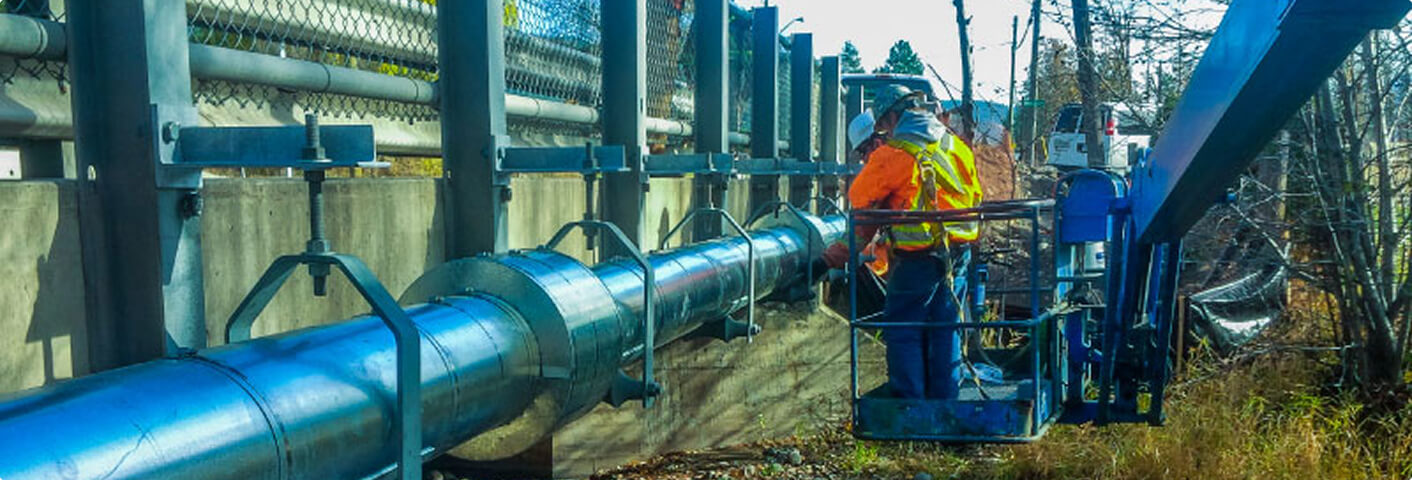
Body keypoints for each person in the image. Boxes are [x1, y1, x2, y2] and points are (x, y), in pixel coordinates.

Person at [845, 86, 982, 399]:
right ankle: (944, 402)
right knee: (946, 327)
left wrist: (832, 257)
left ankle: (910, 407)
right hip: (957, 255)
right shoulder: (955, 146)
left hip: (918, 260)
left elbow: (860, 203)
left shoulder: (893, 155)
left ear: (894, 117)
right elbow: (974, 194)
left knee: (903, 328)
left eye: (884, 127)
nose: (886, 133)